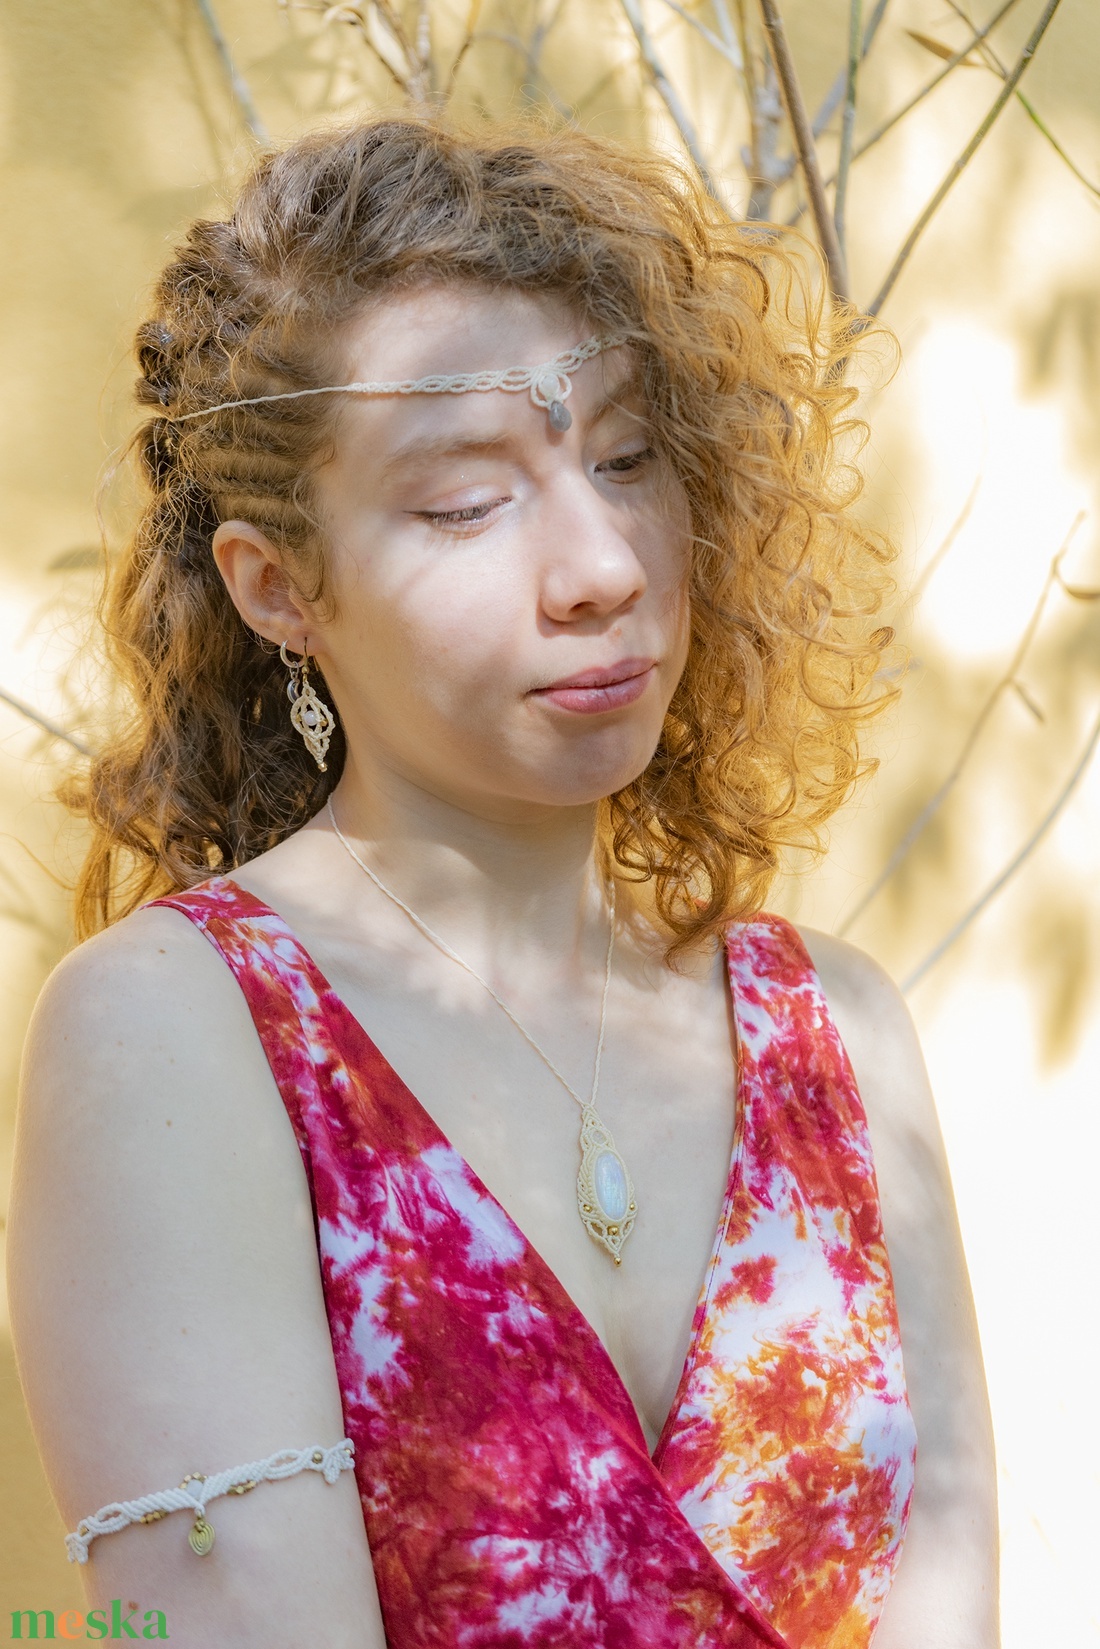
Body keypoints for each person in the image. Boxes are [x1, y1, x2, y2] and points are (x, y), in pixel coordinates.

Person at [6, 116, 998, 1648]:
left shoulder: (834, 1028)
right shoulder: (178, 1030)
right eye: (467, 500)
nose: (601, 561)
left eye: (625, 458)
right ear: (280, 587)